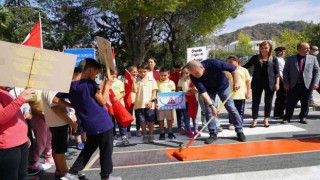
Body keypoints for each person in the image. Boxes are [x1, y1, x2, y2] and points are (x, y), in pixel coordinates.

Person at [58, 58, 116, 180]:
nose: (96, 76)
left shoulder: (70, 86)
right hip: (103, 122)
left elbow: (55, 99)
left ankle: (72, 173)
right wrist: (108, 85)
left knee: (89, 149)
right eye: (96, 72)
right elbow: (103, 101)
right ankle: (106, 176)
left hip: (89, 124)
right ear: (90, 70)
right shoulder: (90, 84)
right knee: (106, 151)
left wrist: (73, 105)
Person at [186, 59, 246, 144]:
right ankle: (213, 133)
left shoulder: (214, 63)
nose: (195, 76)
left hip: (223, 87)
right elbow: (203, 92)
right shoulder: (193, 76)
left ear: (201, 67)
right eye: (193, 74)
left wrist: (236, 82)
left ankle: (239, 131)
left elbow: (233, 69)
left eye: (196, 73)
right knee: (209, 110)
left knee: (231, 107)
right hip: (208, 91)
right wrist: (212, 106)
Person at [0, 88, 35, 180]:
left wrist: (24, 136)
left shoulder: (3, 91)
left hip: (20, 142)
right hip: (8, 146)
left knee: (22, 176)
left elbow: (16, 115)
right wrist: (20, 99)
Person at [243, 41, 280, 128]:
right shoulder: (255, 58)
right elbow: (246, 66)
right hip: (257, 82)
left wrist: (277, 83)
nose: (264, 50)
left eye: (266, 48)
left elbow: (277, 72)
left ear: (270, 48)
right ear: (260, 49)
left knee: (268, 101)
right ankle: (254, 119)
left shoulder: (274, 59)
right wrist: (234, 68)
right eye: (262, 48)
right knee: (255, 102)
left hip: (270, 83)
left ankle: (266, 119)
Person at [41, 90, 78, 178]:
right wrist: (71, 122)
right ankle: (65, 174)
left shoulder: (50, 89)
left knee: (57, 148)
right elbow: (56, 109)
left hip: (57, 123)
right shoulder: (51, 90)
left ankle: (59, 170)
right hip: (58, 123)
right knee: (60, 150)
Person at [282, 42, 320, 124]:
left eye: (309, 48)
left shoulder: (313, 58)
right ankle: (287, 117)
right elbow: (285, 71)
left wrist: (316, 82)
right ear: (299, 49)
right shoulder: (290, 59)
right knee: (290, 102)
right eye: (306, 48)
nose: (308, 50)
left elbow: (317, 71)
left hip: (307, 84)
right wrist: (286, 82)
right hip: (293, 84)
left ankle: (303, 117)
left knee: (305, 102)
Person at [28, 90, 53, 173]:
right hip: (38, 116)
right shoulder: (31, 87)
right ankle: (33, 162)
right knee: (41, 141)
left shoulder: (45, 87)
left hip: (47, 114)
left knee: (49, 138)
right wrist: (42, 116)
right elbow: (30, 106)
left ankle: (48, 157)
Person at [132, 62, 158, 143]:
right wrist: (133, 81)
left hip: (150, 105)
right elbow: (134, 91)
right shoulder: (136, 80)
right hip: (139, 105)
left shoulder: (152, 80)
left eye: (144, 71)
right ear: (138, 71)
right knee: (142, 121)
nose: (142, 73)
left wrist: (151, 102)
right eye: (140, 71)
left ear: (148, 71)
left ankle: (151, 134)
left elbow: (154, 93)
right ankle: (144, 135)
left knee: (151, 121)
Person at [225, 55, 251, 130]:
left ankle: (239, 122)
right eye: (228, 62)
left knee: (240, 110)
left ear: (237, 62)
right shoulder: (227, 71)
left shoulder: (244, 70)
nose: (229, 63)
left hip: (241, 94)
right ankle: (232, 123)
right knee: (231, 109)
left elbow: (248, 82)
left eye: (231, 62)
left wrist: (248, 92)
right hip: (230, 94)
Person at [177, 66, 200, 137]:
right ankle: (189, 130)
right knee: (186, 116)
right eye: (183, 73)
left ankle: (196, 130)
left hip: (194, 100)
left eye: (187, 73)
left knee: (194, 116)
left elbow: (199, 89)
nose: (185, 74)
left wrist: (194, 91)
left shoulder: (195, 80)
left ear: (190, 72)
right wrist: (185, 93)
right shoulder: (181, 80)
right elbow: (178, 90)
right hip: (185, 101)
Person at [109, 69, 129, 146]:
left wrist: (118, 97)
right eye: (111, 74)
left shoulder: (120, 82)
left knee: (121, 122)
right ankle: (113, 137)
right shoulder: (105, 83)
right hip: (110, 106)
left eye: (115, 74)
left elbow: (123, 93)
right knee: (111, 122)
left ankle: (124, 137)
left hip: (119, 105)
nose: (113, 75)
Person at [156, 67, 176, 140]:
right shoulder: (157, 82)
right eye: (161, 75)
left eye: (165, 75)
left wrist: (173, 104)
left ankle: (170, 132)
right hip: (160, 105)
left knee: (169, 118)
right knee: (160, 119)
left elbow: (173, 94)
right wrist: (156, 103)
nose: (163, 77)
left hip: (169, 105)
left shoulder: (171, 83)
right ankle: (162, 132)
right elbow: (155, 94)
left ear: (168, 75)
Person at [169, 61, 185, 134]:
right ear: (173, 68)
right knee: (178, 112)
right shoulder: (171, 75)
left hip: (184, 94)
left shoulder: (185, 74)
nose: (177, 69)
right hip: (174, 95)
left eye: (179, 67)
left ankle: (185, 125)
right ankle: (180, 126)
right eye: (176, 67)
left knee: (184, 111)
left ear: (182, 66)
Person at [125, 65, 140, 137]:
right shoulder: (126, 80)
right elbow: (133, 90)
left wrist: (134, 81)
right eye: (133, 72)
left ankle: (138, 130)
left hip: (137, 100)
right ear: (129, 72)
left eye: (136, 72)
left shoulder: (139, 80)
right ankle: (128, 131)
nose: (135, 73)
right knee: (129, 116)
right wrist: (132, 81)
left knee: (138, 116)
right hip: (129, 100)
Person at [273, 46, 287, 119]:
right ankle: (279, 112)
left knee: (281, 97)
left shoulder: (281, 59)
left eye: (284, 51)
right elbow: (279, 71)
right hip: (281, 80)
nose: (283, 53)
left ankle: (278, 113)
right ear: (276, 52)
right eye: (281, 51)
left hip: (283, 79)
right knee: (283, 96)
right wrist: (283, 80)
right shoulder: (276, 59)